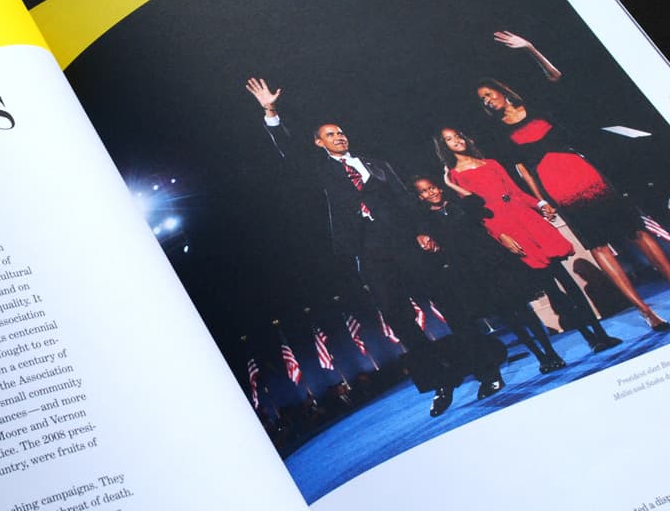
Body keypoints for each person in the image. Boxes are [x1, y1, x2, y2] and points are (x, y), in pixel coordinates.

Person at [244, 77, 497, 416]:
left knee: (447, 300)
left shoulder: (376, 164)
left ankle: (485, 368)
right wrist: (270, 111)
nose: (339, 136)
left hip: (406, 242)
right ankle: (440, 382)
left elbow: (408, 201)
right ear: (319, 143)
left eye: (341, 132)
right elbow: (288, 152)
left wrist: (423, 231)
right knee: (401, 319)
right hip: (370, 252)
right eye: (331, 134)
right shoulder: (321, 170)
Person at [476, 30, 670, 332]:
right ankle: (646, 311)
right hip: (558, 189)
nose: (487, 101)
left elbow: (554, 76)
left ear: (501, 91)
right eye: (482, 100)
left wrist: (530, 47)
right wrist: (542, 200)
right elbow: (523, 170)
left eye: (488, 94)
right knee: (598, 245)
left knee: (635, 230)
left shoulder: (537, 104)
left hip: (586, 174)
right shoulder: (498, 135)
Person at [435, 126, 623, 351]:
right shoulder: (455, 175)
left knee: (568, 282)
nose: (456, 140)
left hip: (528, 219)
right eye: (449, 139)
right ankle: (590, 339)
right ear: (444, 146)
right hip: (506, 227)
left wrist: (541, 204)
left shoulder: (492, 163)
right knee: (552, 290)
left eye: (457, 135)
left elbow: (516, 193)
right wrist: (500, 235)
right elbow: (475, 210)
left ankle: (601, 333)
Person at [411, 176, 567, 373]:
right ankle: (541, 357)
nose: (430, 192)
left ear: (440, 188)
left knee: (525, 311)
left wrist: (451, 184)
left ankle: (551, 353)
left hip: (496, 264)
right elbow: (431, 245)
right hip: (472, 275)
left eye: (432, 187)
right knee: (510, 319)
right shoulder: (427, 222)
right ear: (420, 197)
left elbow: (478, 201)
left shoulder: (460, 205)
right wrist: (424, 240)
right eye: (424, 191)